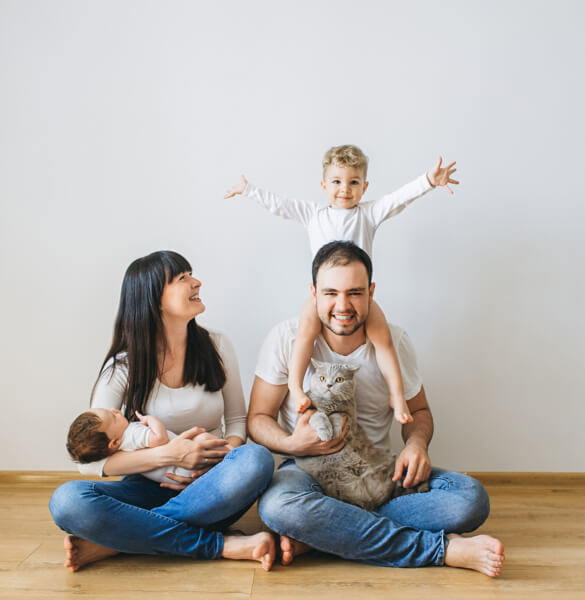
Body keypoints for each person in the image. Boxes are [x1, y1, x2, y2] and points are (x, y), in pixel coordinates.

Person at [247, 241, 505, 577]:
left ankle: (325, 534)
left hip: (375, 474)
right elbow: (258, 419)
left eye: (354, 292)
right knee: (279, 507)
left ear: (371, 292)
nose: (343, 305)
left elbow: (420, 412)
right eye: (331, 293)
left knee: (469, 499)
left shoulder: (394, 341)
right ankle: (441, 549)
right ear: (313, 293)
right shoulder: (285, 337)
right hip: (306, 471)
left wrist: (416, 445)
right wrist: (293, 444)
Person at [49, 250, 276, 572]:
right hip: (144, 484)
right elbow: (90, 463)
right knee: (67, 500)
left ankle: (120, 541)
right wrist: (171, 455)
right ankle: (217, 544)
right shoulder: (123, 367)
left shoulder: (218, 345)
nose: (196, 282)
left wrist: (215, 463)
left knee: (257, 459)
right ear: (154, 299)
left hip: (210, 485)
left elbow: (238, 421)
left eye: (191, 274)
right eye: (183, 278)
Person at [225, 144, 458, 424]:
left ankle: (397, 395)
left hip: (359, 296)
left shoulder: (368, 214)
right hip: (323, 299)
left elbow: (398, 199)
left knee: (383, 340)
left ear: (364, 186)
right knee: (304, 334)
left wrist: (429, 181)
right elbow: (281, 205)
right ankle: (296, 387)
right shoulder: (313, 214)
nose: (344, 189)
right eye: (336, 181)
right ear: (324, 185)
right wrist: (249, 189)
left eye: (353, 182)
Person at [66, 408, 195, 484]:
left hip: (178, 476)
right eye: (113, 417)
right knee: (204, 439)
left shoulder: (118, 449)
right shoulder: (131, 434)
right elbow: (160, 439)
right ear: (114, 443)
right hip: (186, 468)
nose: (115, 410)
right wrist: (151, 419)